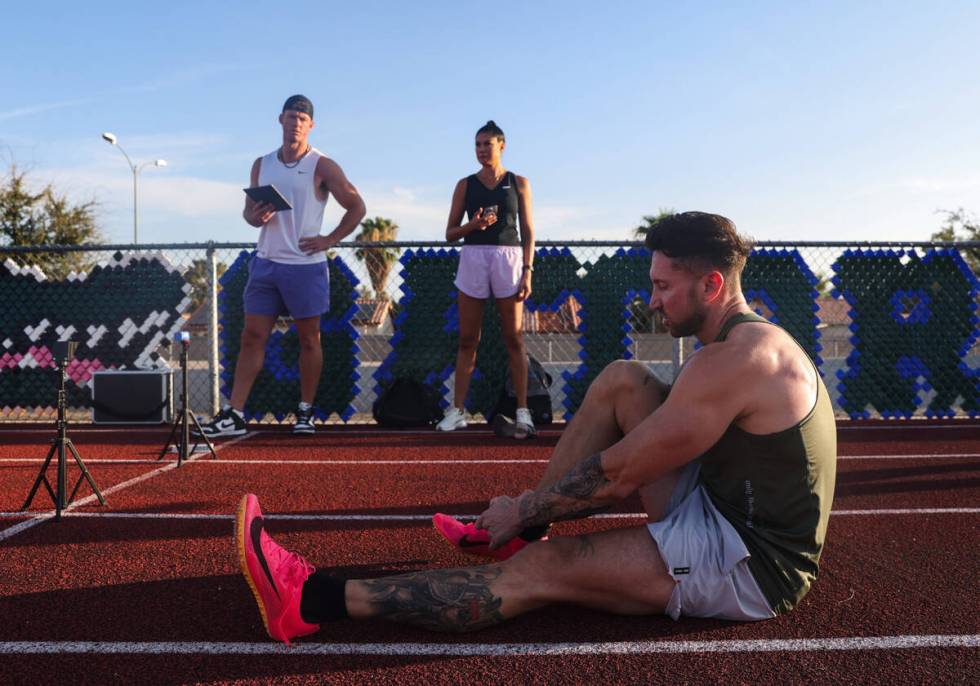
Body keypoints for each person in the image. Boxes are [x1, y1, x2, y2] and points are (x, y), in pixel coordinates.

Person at [234, 212, 837, 642]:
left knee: (541, 574)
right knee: (623, 379)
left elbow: (621, 475)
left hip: (748, 564)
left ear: (711, 285)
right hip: (717, 502)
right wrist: (531, 511)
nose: (654, 301)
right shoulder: (738, 343)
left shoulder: (738, 359)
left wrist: (519, 506)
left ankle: (312, 600)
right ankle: (528, 534)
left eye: (663, 286)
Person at [198, 95, 365, 437]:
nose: (296, 124)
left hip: (305, 265)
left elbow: (357, 207)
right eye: (291, 117)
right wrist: (255, 217)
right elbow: (248, 213)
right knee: (252, 337)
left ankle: (305, 412)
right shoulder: (262, 164)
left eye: (302, 119)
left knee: (308, 341)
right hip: (266, 263)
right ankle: (235, 414)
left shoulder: (323, 165)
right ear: (280, 120)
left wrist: (329, 239)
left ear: (311, 125)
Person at [435, 120, 537, 439]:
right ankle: (458, 411)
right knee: (468, 339)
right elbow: (450, 233)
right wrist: (473, 225)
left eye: (487, 144)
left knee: (514, 338)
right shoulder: (465, 185)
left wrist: (527, 270)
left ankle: (523, 412)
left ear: (501, 146)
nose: (481, 150)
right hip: (473, 257)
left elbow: (530, 232)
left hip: (508, 257)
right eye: (477, 145)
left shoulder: (518, 182)